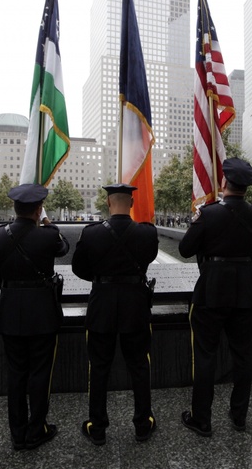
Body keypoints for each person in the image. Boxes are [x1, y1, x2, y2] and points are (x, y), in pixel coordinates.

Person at [178, 158, 252, 436]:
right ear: (246, 187)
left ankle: (201, 419)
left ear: (224, 183)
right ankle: (239, 416)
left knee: (206, 355)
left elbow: (184, 249)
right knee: (243, 355)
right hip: (246, 289)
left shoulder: (209, 214)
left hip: (213, 290)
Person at [72, 183, 159, 445]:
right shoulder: (147, 233)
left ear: (108, 203)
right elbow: (149, 259)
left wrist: (102, 278)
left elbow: (78, 268)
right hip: (135, 305)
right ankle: (143, 424)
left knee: (99, 368)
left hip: (102, 306)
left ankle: (97, 427)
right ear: (131, 204)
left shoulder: (91, 233)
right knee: (139, 367)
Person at [0, 184, 69, 450]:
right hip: (43, 313)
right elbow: (64, 247)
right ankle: (37, 429)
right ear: (37, 208)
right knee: (40, 372)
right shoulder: (47, 235)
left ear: (14, 208)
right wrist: (47, 221)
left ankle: (17, 433)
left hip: (10, 312)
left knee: (16, 374)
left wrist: (12, 291)